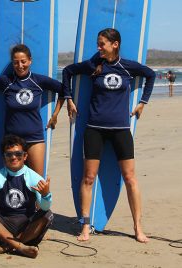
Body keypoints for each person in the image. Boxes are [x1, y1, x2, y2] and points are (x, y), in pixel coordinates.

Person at [62, 28, 155, 243]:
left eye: (102, 43)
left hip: (121, 130)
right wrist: (68, 98)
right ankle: (85, 226)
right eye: (98, 43)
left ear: (115, 44)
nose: (98, 47)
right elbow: (67, 71)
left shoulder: (128, 66)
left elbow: (150, 75)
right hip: (94, 128)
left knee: (130, 178)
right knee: (88, 178)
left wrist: (143, 102)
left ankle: (138, 227)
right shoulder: (93, 65)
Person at [0, 44, 65, 176]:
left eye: (23, 61)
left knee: (37, 183)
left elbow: (64, 89)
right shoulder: (6, 81)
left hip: (35, 138)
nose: (20, 65)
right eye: (16, 62)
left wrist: (55, 114)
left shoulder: (38, 81)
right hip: (12, 140)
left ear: (30, 60)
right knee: (14, 184)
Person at [0, 135, 53, 258]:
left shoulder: (34, 177)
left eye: (18, 154)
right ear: (4, 157)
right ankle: (20, 247)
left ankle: (6, 247)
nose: (14, 157)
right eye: (9, 154)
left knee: (47, 214)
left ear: (25, 156)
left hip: (26, 228)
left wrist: (45, 195)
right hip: (2, 226)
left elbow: (44, 206)